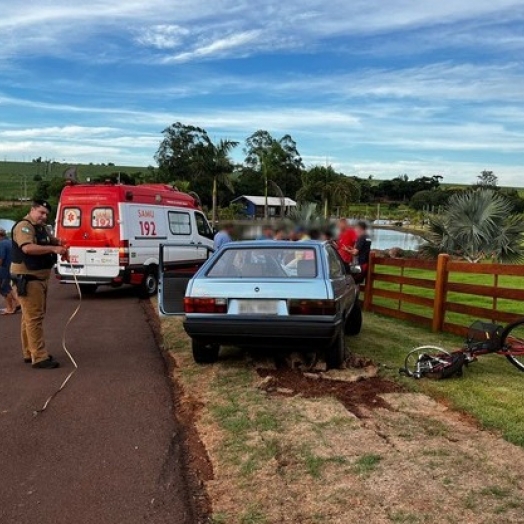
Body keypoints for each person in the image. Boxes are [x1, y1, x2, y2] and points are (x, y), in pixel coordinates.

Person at [11, 200, 68, 369]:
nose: (43, 217)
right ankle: (40, 356)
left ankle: (30, 352)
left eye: (46, 214)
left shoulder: (40, 228)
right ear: (33, 210)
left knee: (29, 317)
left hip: (38, 278)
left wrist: (62, 244)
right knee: (34, 318)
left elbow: (54, 240)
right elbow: (27, 248)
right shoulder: (24, 227)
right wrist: (53, 249)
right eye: (41, 213)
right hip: (28, 278)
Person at [0, 228, 20, 315]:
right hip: (14, 269)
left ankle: (10, 308)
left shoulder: (1, 244)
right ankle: (18, 303)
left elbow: (1, 259)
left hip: (5, 270)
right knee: (10, 288)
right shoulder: (10, 241)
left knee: (4, 289)